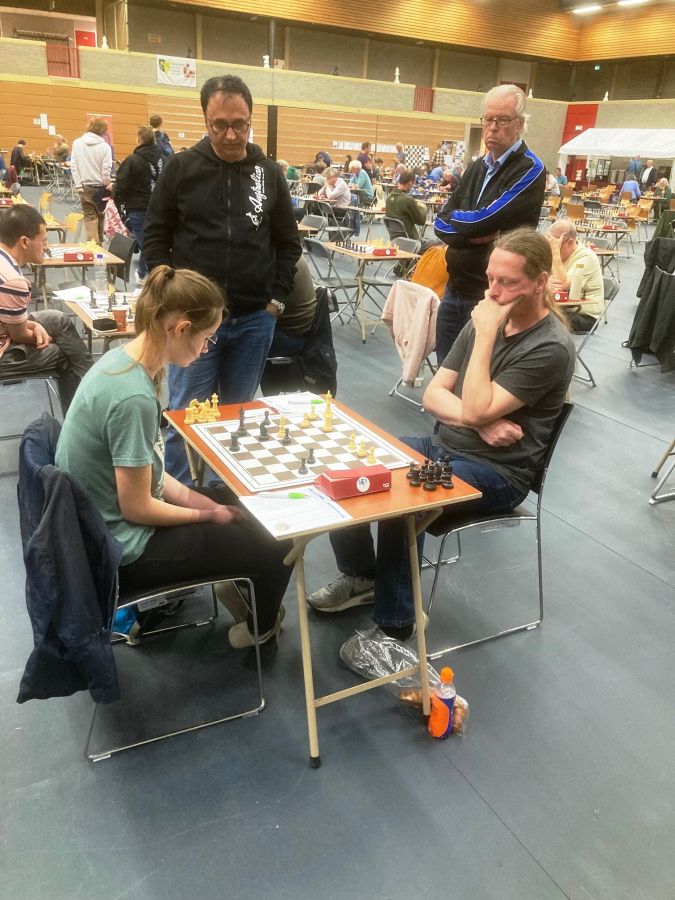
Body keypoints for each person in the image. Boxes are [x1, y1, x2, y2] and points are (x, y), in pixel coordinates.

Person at [308, 228, 575, 638]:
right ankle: (362, 576)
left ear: (540, 282)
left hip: (500, 472)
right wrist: (479, 421)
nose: (494, 292)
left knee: (402, 499)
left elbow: (472, 405)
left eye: (508, 282)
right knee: (353, 464)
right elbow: (433, 396)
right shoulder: (487, 317)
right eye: (490, 278)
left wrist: (485, 337)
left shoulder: (548, 347)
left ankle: (396, 629)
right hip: (445, 446)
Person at [54, 266, 292, 648]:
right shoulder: (132, 397)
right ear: (181, 329)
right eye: (206, 338)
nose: (207, 349)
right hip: (121, 550)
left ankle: (242, 586)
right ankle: (260, 627)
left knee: (247, 507)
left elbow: (151, 473)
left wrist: (205, 503)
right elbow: (137, 507)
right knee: (277, 541)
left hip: (102, 525)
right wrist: (207, 516)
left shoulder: (122, 361)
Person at [143, 74, 301, 486]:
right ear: (205, 120)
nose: (231, 135)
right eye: (220, 125)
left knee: (237, 417)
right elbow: (155, 237)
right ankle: (177, 499)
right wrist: (166, 299)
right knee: (185, 417)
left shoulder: (269, 173)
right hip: (192, 322)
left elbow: (289, 244)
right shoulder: (181, 169)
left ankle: (222, 499)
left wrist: (276, 302)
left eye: (240, 124)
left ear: (251, 121)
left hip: (253, 319)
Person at [433, 83, 546, 363]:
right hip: (454, 288)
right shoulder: (476, 167)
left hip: (495, 296)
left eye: (503, 120)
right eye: (488, 119)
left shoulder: (530, 169)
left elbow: (483, 220)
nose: (493, 128)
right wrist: (470, 231)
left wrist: (463, 224)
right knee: (445, 371)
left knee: (480, 375)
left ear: (520, 124)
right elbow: (440, 222)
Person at [0, 206, 92, 412]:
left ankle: (92, 381)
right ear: (25, 242)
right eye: (43, 241)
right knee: (64, 354)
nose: (46, 247)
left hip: (6, 328)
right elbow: (19, 334)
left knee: (58, 319)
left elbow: (8, 316)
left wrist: (34, 326)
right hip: (3, 350)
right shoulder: (13, 281)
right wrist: (44, 337)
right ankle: (79, 416)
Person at [113, 126, 165, 285]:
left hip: (138, 208)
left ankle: (150, 278)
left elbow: (121, 186)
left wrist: (121, 206)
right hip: (160, 208)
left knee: (149, 245)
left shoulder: (132, 160)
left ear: (139, 140)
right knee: (151, 242)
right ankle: (143, 275)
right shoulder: (165, 159)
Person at [546, 218, 603, 332]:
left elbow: (562, 285)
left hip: (583, 315)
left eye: (555, 245)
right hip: (559, 307)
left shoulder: (587, 257)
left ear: (570, 243)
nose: (550, 248)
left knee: (539, 320)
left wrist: (555, 253)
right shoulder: (556, 253)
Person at [70, 117, 113, 243]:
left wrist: (78, 185)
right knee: (101, 216)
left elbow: (74, 166)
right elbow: (106, 168)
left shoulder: (77, 143)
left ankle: (93, 244)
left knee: (89, 217)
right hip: (101, 187)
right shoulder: (105, 147)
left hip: (84, 187)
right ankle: (99, 247)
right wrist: (107, 183)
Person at [385, 170, 427, 239]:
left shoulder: (388, 198)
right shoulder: (409, 200)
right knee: (439, 243)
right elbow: (421, 222)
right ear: (410, 182)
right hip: (411, 240)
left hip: (395, 239)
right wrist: (422, 207)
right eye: (413, 184)